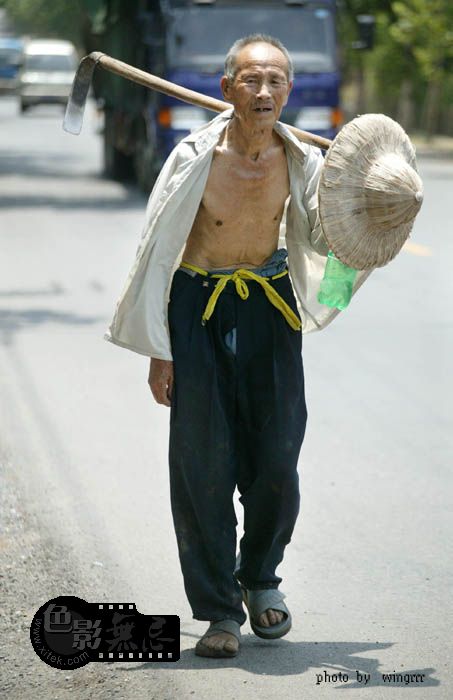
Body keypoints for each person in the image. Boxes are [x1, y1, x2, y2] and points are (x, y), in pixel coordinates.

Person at [105, 34, 371, 658]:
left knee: (277, 459)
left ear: (289, 91)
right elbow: (156, 253)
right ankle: (220, 610)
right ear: (227, 89)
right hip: (197, 308)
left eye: (276, 80)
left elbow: (331, 239)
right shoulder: (194, 158)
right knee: (202, 464)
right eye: (252, 79)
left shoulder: (302, 160)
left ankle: (260, 578)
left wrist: (376, 206)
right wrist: (160, 348)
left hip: (270, 309)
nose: (264, 91)